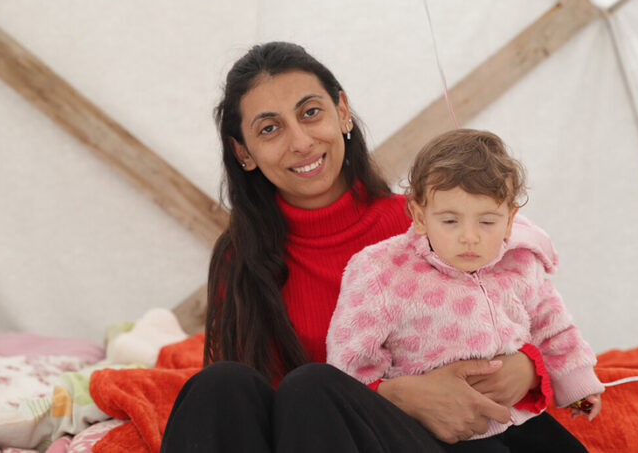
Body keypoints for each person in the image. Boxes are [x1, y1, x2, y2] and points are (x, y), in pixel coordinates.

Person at [160, 42, 551, 452]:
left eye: (310, 113)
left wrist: (527, 368)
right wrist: (392, 393)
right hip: (313, 437)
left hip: (444, 441)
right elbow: (257, 412)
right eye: (269, 128)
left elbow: (530, 308)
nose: (300, 142)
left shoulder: (429, 224)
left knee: (312, 386)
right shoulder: (240, 256)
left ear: (341, 111)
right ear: (244, 152)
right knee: (220, 385)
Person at [327, 129, 604, 452]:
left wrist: (578, 388)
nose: (469, 237)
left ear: (510, 219)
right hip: (441, 430)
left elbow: (553, 326)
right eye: (450, 221)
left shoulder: (519, 261)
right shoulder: (381, 271)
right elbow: (352, 360)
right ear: (419, 215)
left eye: (486, 222)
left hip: (519, 415)